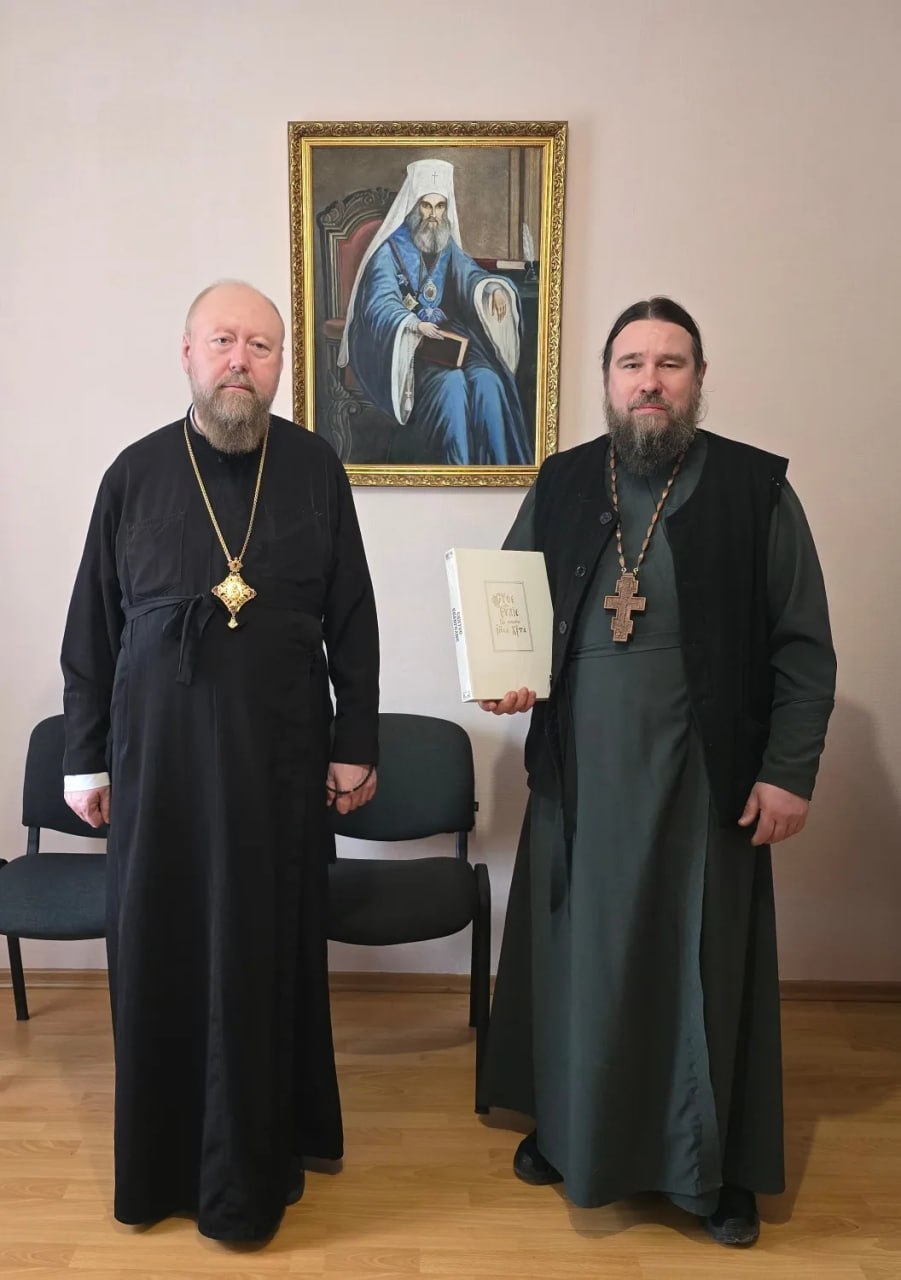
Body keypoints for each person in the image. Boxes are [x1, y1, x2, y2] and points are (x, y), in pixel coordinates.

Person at [478, 297, 835, 1247]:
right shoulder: (562, 482)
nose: (649, 382)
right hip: (581, 775)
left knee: (696, 971)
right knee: (580, 965)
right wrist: (506, 676)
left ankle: (710, 1172)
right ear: (605, 380)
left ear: (698, 379)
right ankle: (570, 1131)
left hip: (698, 776)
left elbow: (803, 647)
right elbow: (512, 605)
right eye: (630, 363)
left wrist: (788, 771)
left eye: (669, 364)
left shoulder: (756, 489)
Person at [60, 280, 380, 1242]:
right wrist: (84, 759)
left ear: (282, 365)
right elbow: (93, 629)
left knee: (264, 951)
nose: (242, 360)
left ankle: (258, 1164)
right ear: (188, 354)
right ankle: (164, 1167)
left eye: (262, 346)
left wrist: (355, 743)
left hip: (276, 767)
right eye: (224, 341)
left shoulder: (316, 468)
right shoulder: (134, 473)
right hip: (157, 772)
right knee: (161, 950)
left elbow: (353, 621)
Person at [339, 157, 532, 466]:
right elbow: (378, 302)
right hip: (410, 347)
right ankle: (457, 471)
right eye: (426, 206)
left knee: (487, 379)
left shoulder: (446, 245)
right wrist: (413, 324)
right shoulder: (389, 251)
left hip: (450, 339)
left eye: (440, 206)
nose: (433, 215)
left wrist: (492, 289)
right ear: (414, 207)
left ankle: (497, 473)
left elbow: (470, 275)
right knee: (452, 387)